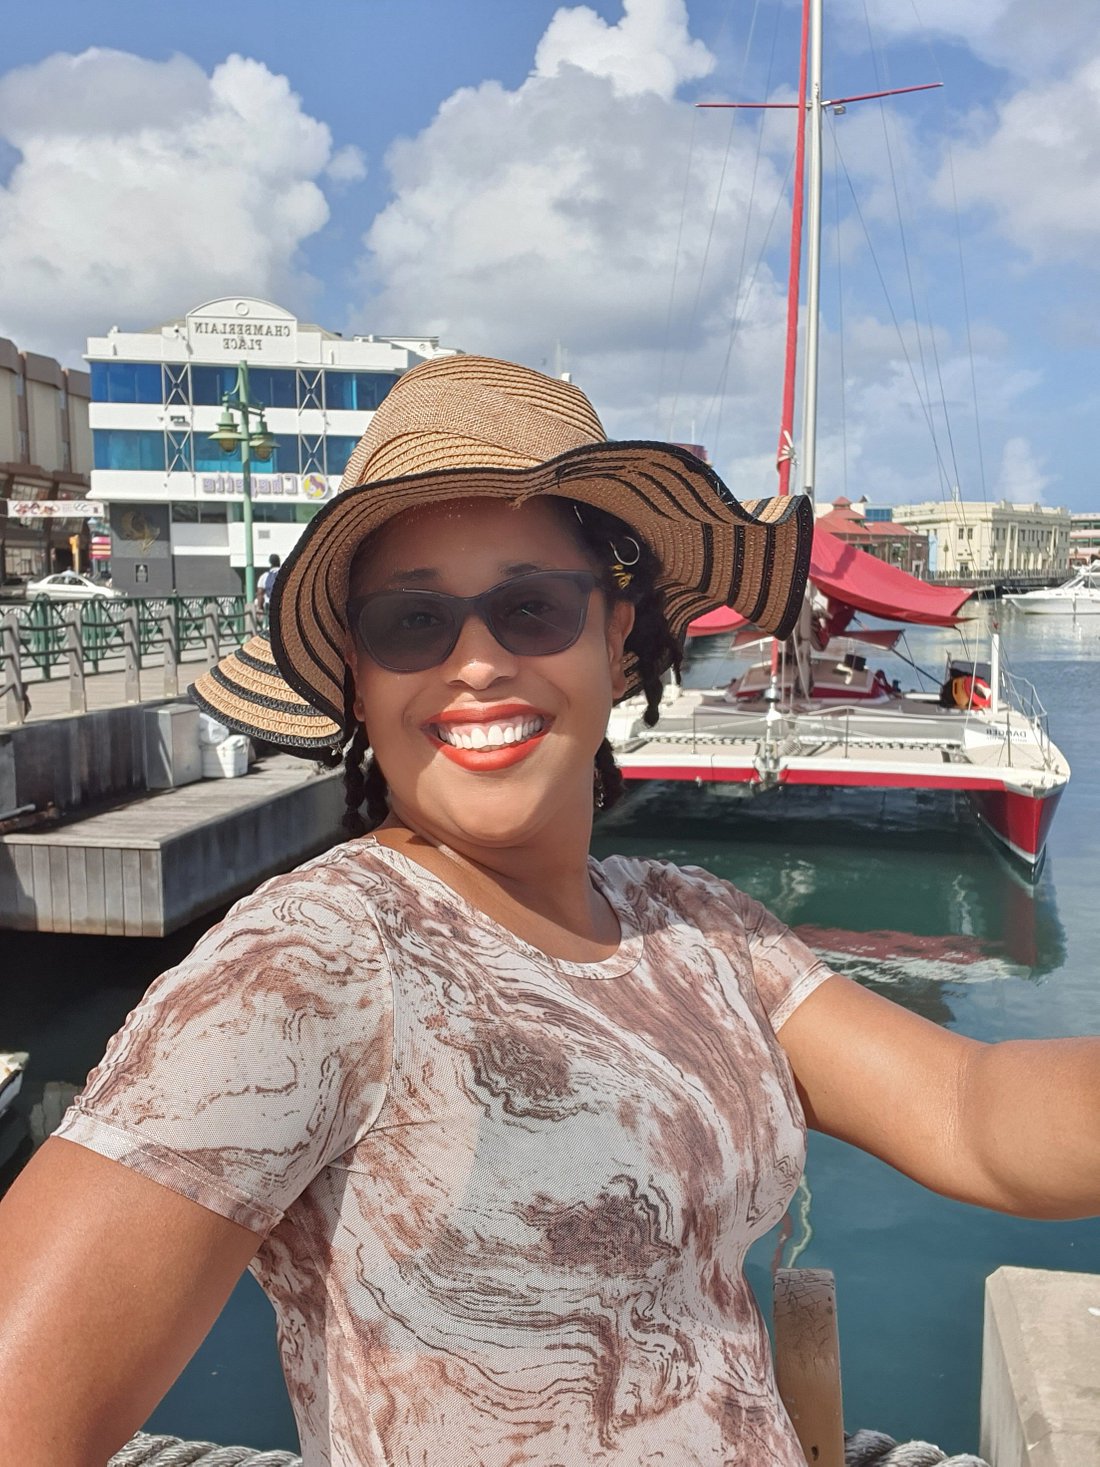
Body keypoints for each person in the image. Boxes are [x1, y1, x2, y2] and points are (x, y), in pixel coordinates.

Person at [0, 356, 1096, 1467]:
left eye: (531, 608)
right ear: (360, 678)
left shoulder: (693, 924)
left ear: (615, 634)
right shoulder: (311, 961)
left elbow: (971, 1112)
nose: (476, 664)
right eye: (413, 622)